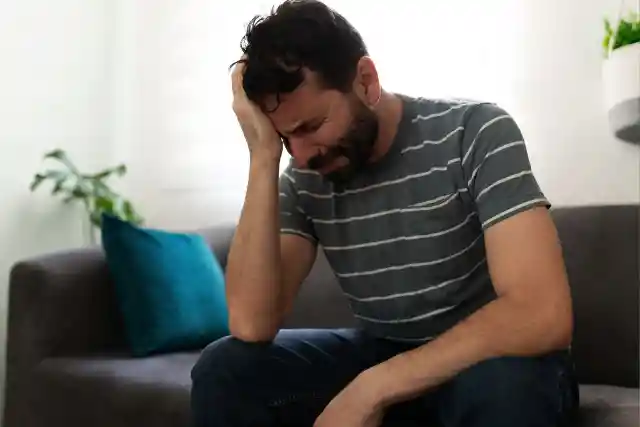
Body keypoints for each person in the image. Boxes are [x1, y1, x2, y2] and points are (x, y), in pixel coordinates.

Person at [190, 1, 580, 426]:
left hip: (489, 359)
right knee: (225, 368)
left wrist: (373, 387)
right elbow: (251, 324)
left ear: (366, 81)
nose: (300, 156)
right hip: (383, 350)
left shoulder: (475, 131)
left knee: (506, 391)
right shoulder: (304, 177)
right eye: (285, 137)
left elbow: (541, 312)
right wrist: (263, 156)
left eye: (311, 126)